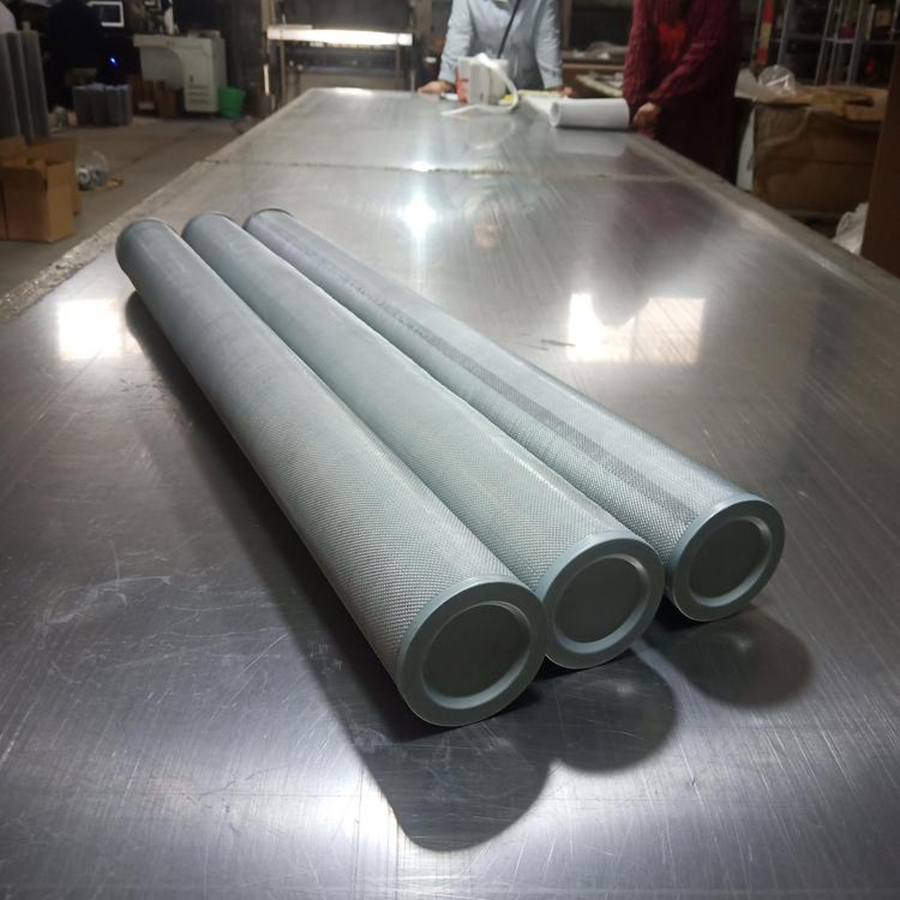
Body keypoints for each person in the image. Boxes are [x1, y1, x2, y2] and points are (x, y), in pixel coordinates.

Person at [623, 0, 741, 177]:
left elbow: (706, 54)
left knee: (695, 187)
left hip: (701, 131)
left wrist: (659, 101)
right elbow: (640, 46)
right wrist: (631, 106)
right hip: (655, 128)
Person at [420, 0, 564, 94]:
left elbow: (546, 39)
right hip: (479, 93)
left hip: (525, 93)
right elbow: (459, 34)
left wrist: (554, 87)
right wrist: (446, 82)